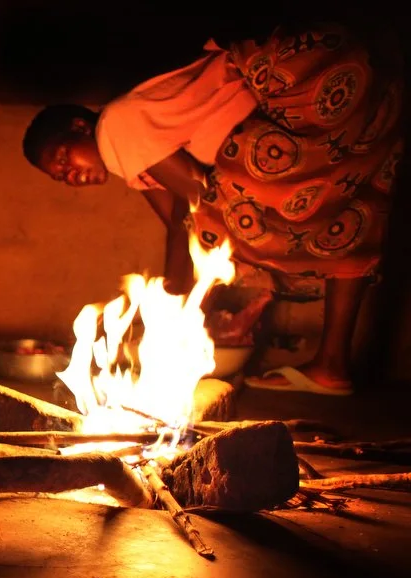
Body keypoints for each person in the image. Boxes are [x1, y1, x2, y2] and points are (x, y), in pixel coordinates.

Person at [22, 22, 403, 396]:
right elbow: (178, 225)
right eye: (61, 177)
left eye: (62, 159)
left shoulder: (113, 129)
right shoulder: (132, 159)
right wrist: (174, 312)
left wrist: (170, 323)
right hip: (359, 95)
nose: (69, 175)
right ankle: (331, 366)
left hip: (304, 80)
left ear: (78, 127)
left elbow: (197, 198)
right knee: (347, 219)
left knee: (220, 225)